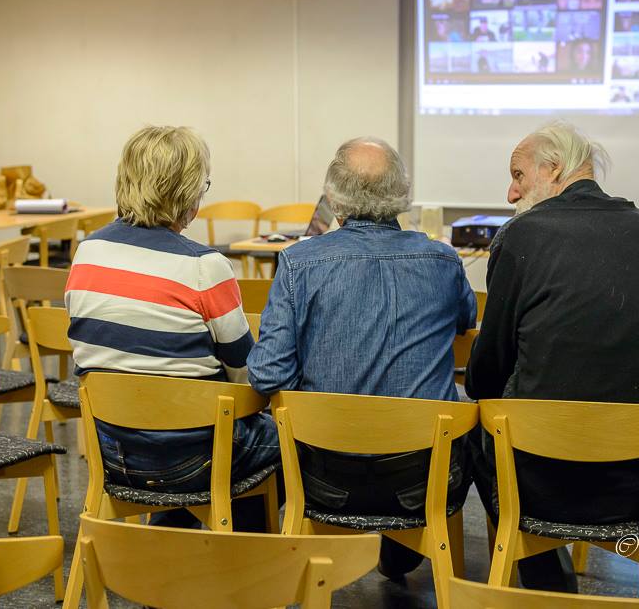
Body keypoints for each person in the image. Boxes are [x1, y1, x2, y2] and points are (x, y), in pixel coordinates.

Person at [465, 121, 639, 591]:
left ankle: (545, 576)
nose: (510, 193)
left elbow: (487, 375)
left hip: (543, 480)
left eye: (518, 175)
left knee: (470, 429)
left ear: (554, 169)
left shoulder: (521, 235)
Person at [248, 136, 477, 577]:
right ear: (402, 193)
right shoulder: (443, 260)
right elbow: (466, 318)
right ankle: (403, 545)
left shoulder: (298, 263)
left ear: (332, 198)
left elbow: (267, 375)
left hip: (323, 477)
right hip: (423, 480)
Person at [65, 125, 279, 529]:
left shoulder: (88, 252)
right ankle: (244, 560)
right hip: (195, 458)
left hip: (112, 450)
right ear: (188, 192)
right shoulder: (204, 267)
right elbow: (247, 379)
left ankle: (172, 540)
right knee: (297, 445)